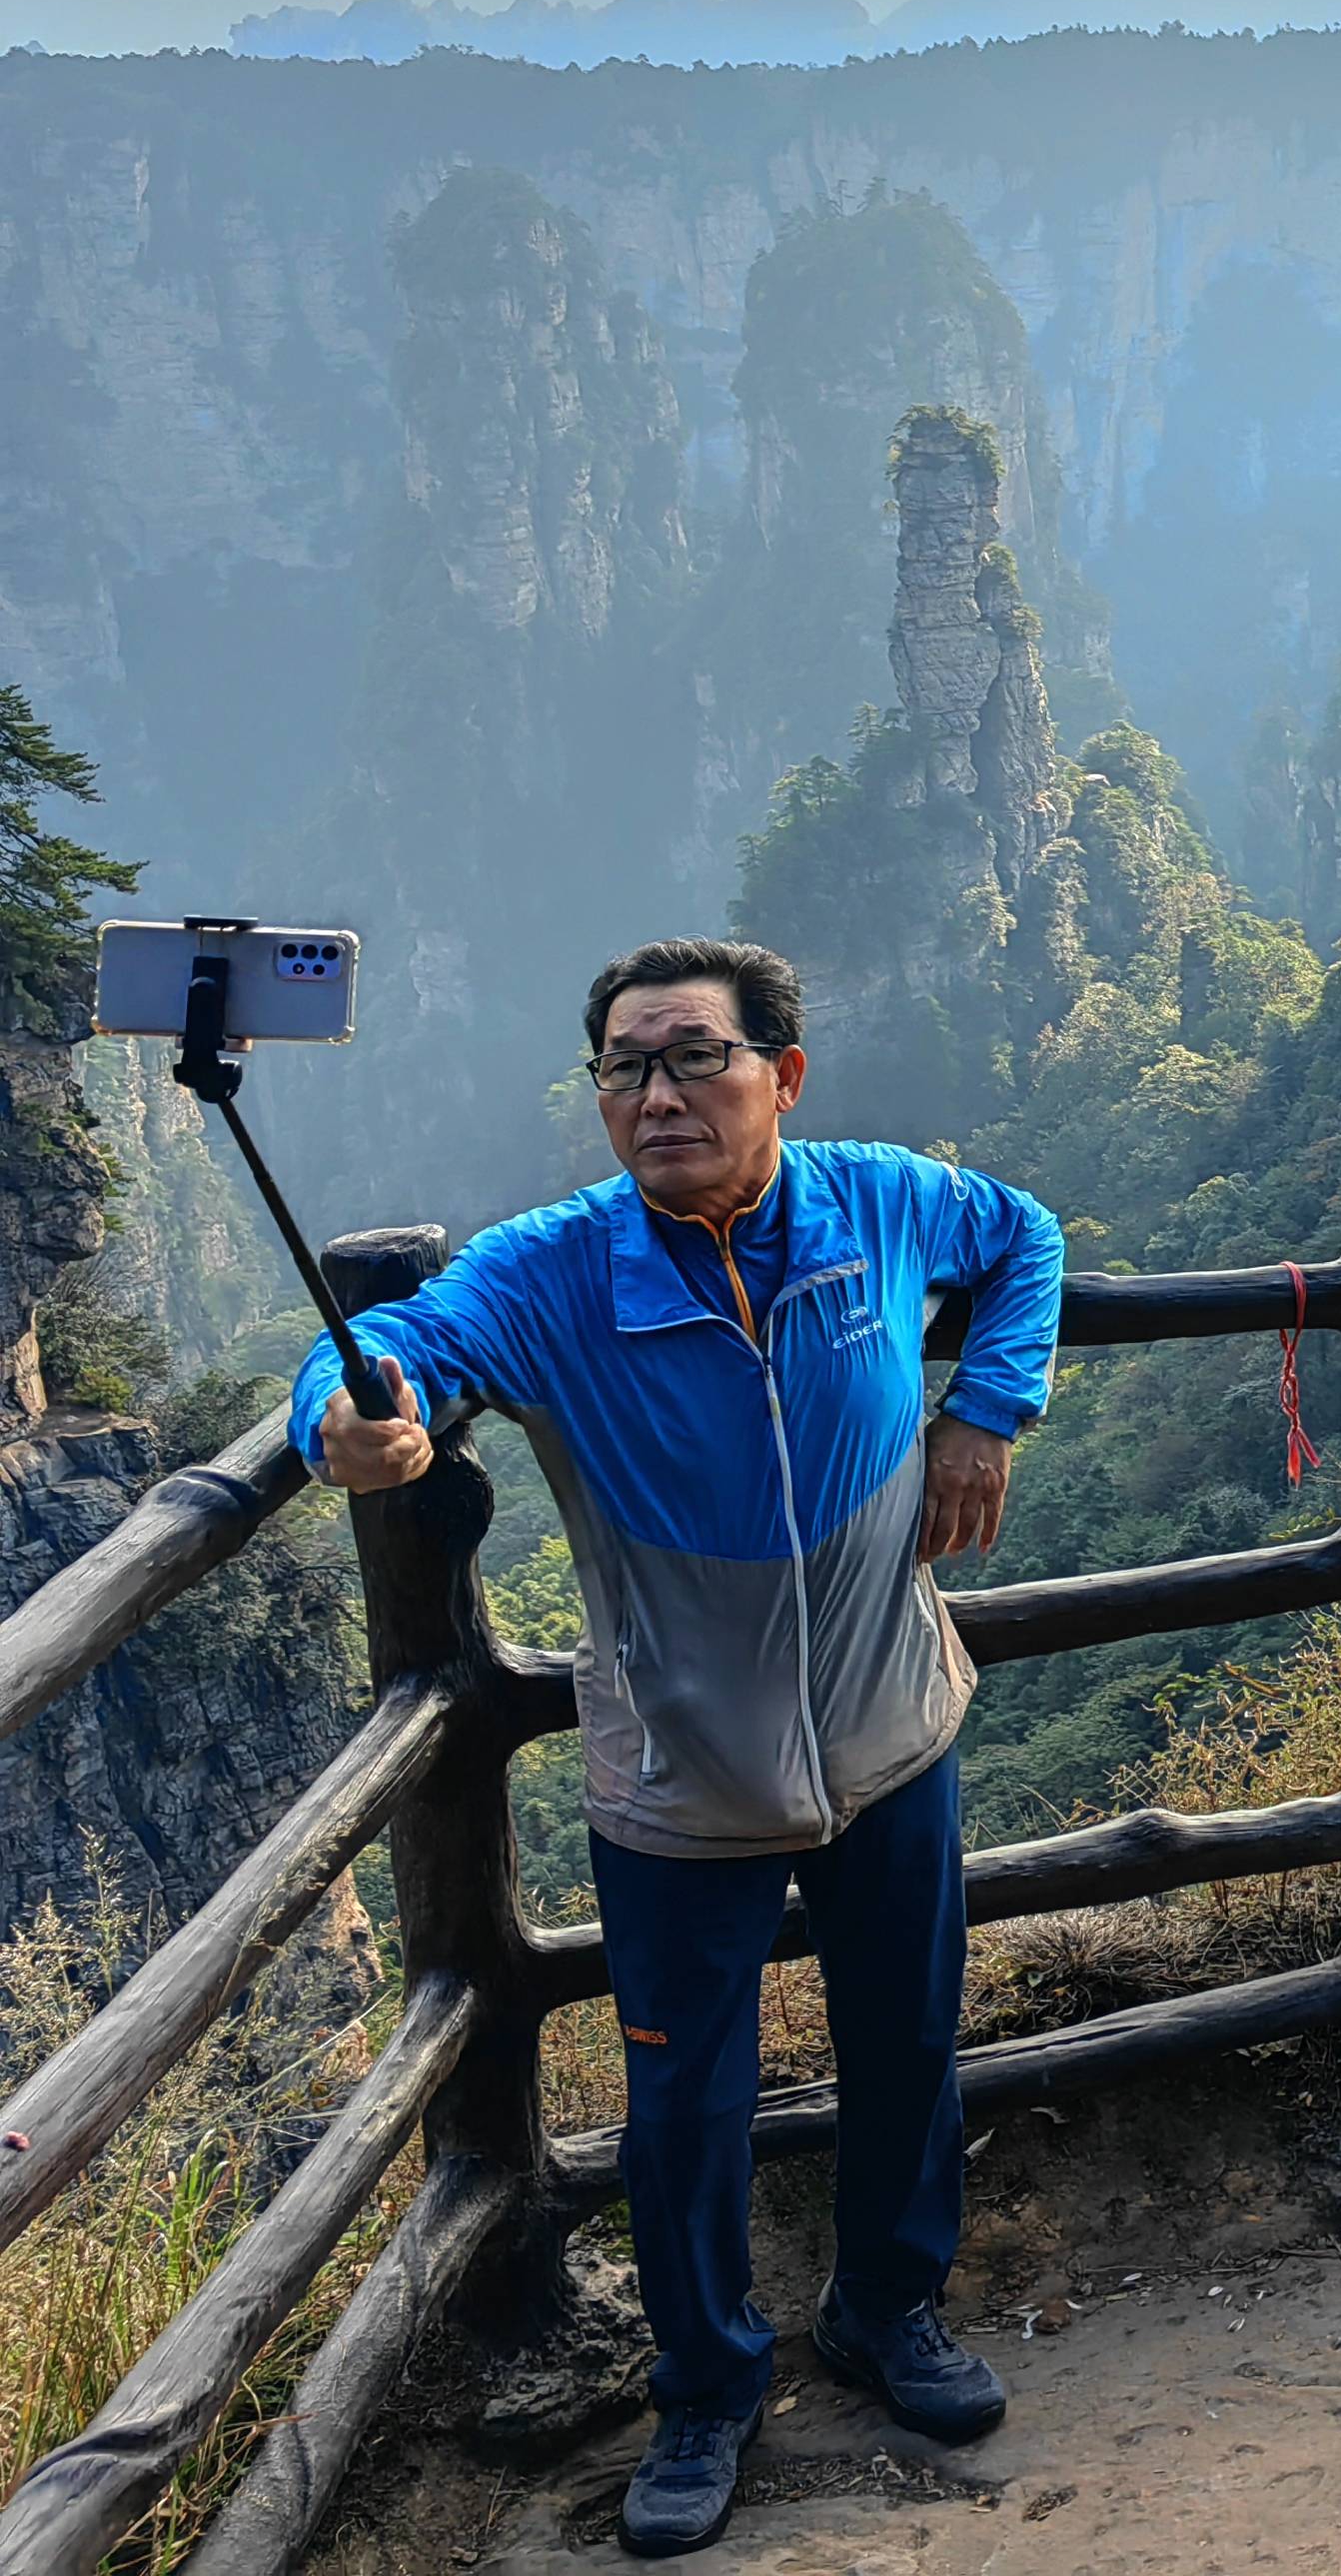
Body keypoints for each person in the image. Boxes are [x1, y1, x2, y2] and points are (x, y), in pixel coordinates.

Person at [294, 938, 1062, 2558]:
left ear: (781, 1075)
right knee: (683, 2108)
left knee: (908, 2043)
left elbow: (1028, 1235)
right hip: (677, 1779)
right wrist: (345, 1418)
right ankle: (708, 2385)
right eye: (624, 1068)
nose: (657, 1096)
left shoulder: (878, 1203)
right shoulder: (560, 1268)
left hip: (889, 1731)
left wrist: (986, 1399)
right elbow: (399, 1350)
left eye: (694, 1058)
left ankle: (886, 2310)